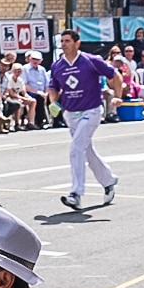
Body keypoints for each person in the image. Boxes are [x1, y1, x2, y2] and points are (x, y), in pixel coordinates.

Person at [50, 27, 116, 210]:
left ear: (77, 43)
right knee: (86, 150)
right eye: (62, 41)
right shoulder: (57, 66)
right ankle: (108, 180)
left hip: (91, 111)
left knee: (76, 148)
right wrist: (53, 102)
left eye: (67, 41)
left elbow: (113, 75)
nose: (64, 45)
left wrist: (118, 96)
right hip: (70, 114)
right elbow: (52, 87)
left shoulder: (91, 61)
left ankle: (76, 193)